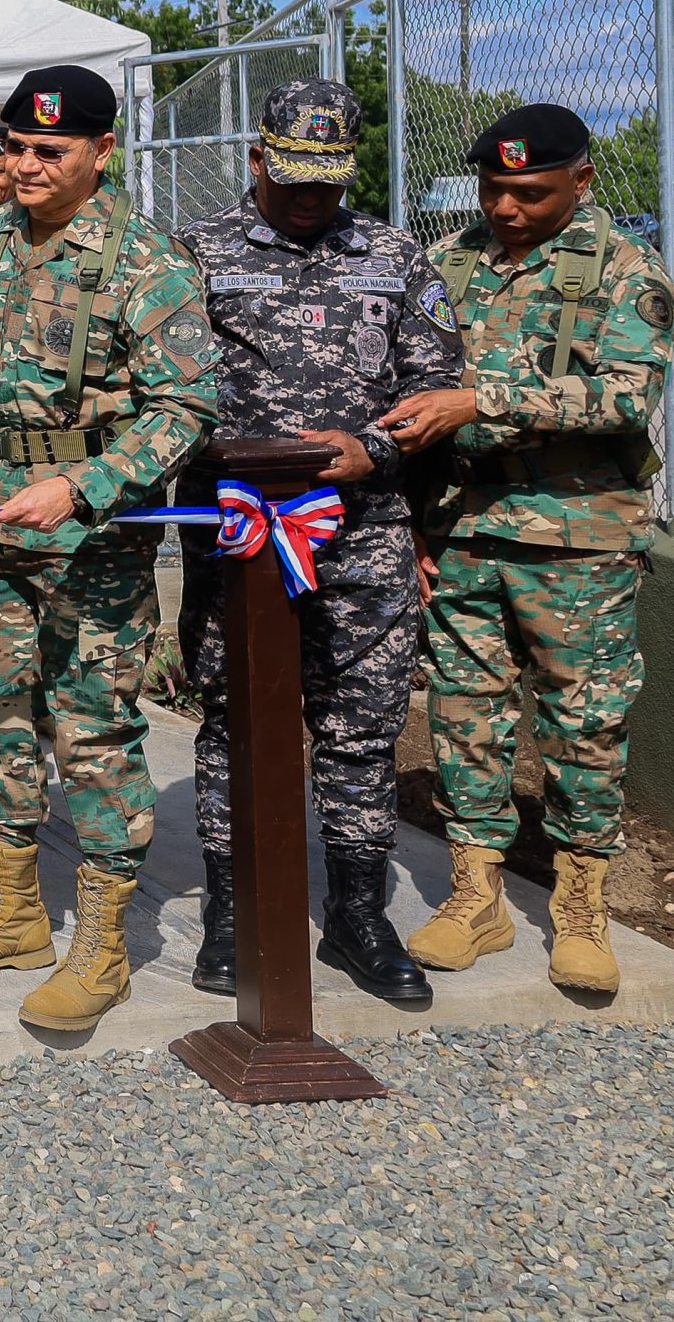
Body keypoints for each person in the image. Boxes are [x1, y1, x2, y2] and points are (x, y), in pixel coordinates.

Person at [0, 65, 217, 1033]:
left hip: (89, 538)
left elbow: (185, 409)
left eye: (51, 151)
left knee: (92, 735)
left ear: (100, 152)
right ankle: (12, 911)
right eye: (16, 147)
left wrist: (81, 486)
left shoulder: (144, 261)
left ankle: (100, 943)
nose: (28, 166)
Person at [377, 102, 674, 995]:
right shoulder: (451, 263)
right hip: (465, 526)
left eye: (530, 193)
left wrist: (483, 401)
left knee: (582, 720)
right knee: (466, 712)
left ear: (581, 182)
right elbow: (411, 384)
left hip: (574, 535)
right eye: (494, 190)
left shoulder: (626, 270)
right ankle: (478, 895)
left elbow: (623, 397)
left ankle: (582, 900)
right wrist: (417, 521)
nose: (506, 209)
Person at [173, 82, 462, 1006]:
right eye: (293, 176)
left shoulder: (392, 255)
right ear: (258, 159)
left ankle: (356, 911)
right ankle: (234, 909)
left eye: (329, 181)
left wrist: (371, 450)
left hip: (363, 533)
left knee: (362, 727)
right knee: (232, 720)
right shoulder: (198, 255)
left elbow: (435, 389)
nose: (310, 197)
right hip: (241, 533)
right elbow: (165, 389)